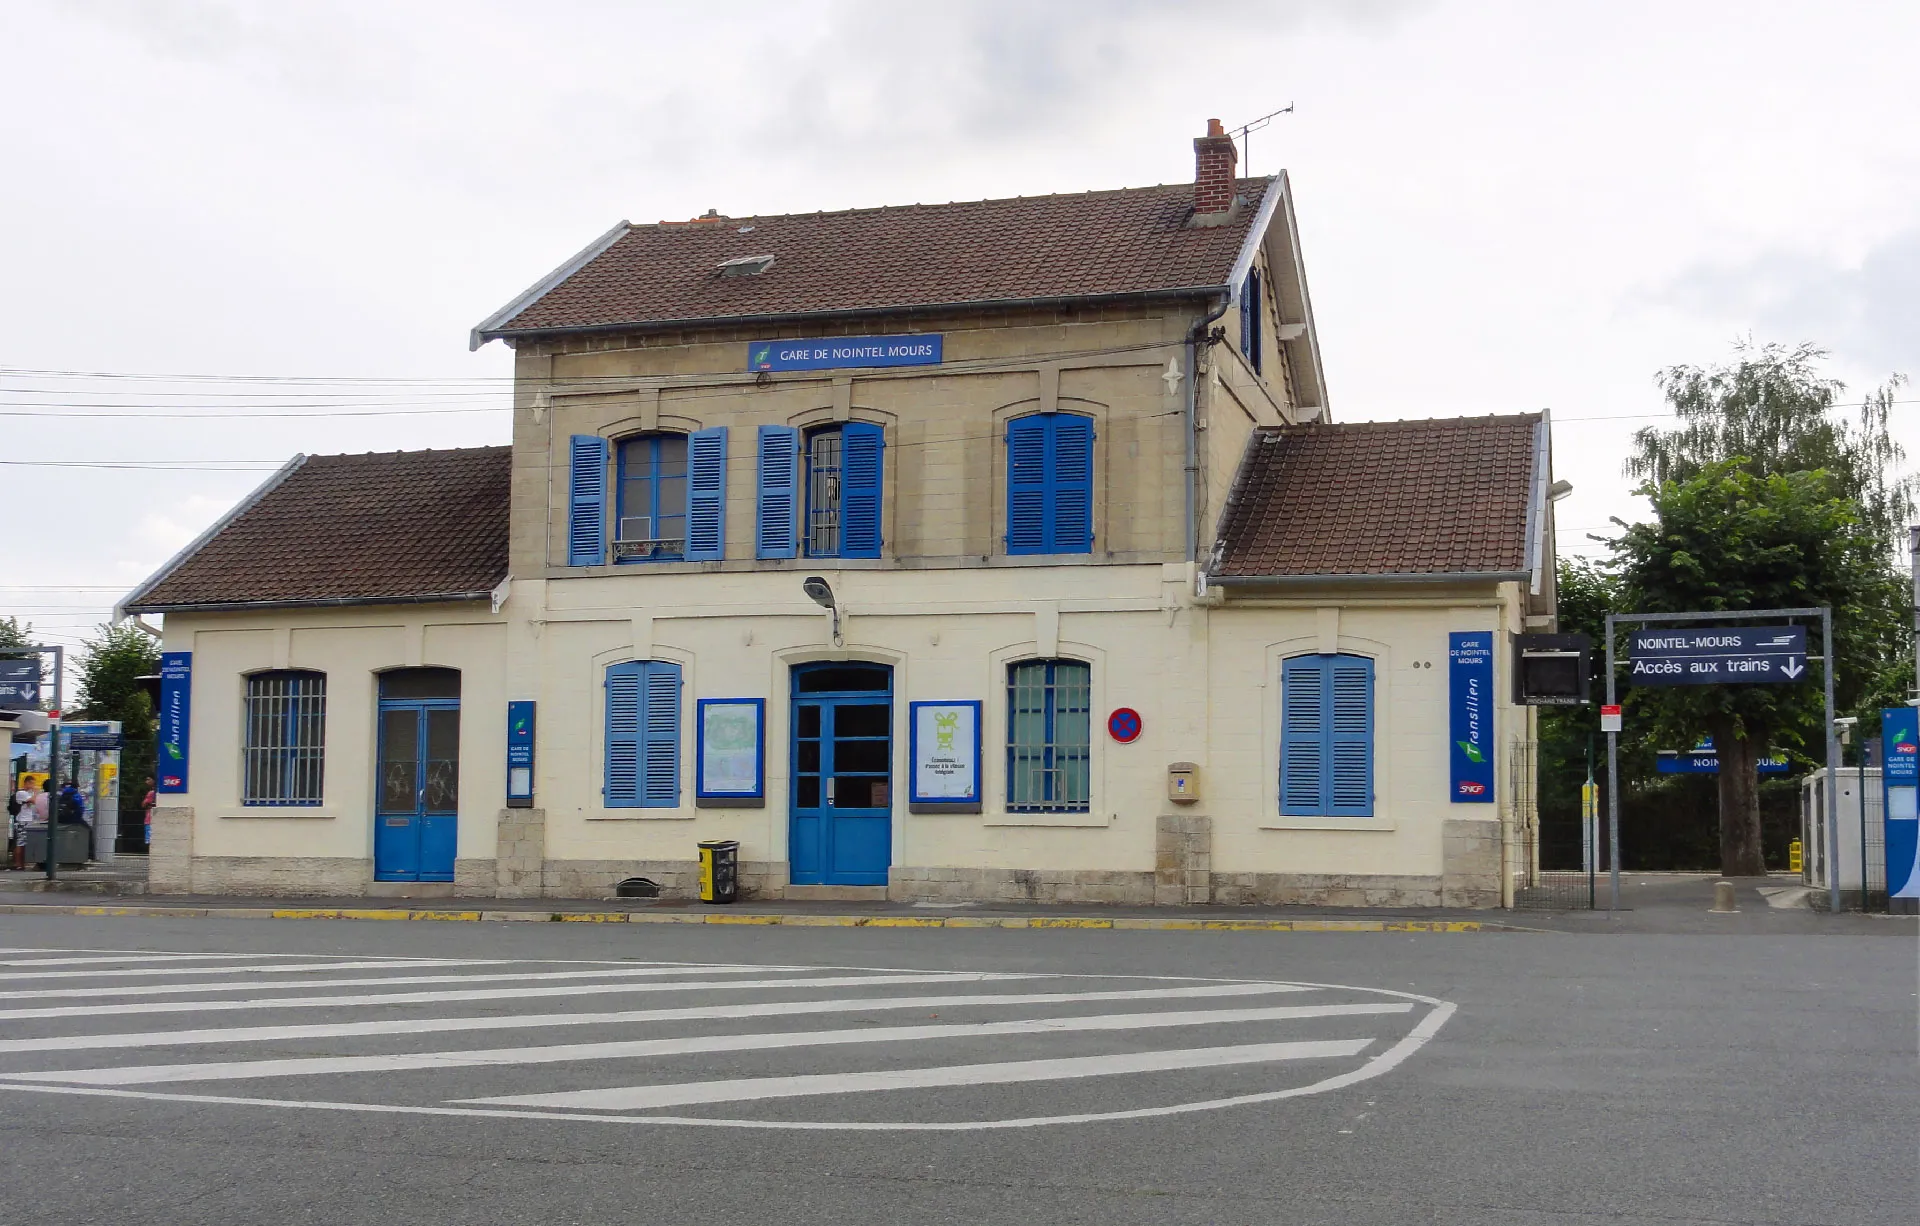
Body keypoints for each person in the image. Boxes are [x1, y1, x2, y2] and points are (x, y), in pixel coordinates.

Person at [141, 777, 156, 848]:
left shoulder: (151, 793)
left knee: (150, 842)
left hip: (150, 819)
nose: (146, 782)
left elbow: (144, 804)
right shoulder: (153, 792)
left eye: (148, 779)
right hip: (150, 819)